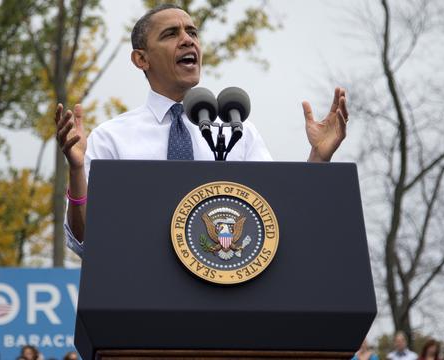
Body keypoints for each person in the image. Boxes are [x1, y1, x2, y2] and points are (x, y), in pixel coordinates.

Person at [56, 4, 350, 256]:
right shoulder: (112, 137)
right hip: (145, 298)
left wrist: (318, 159)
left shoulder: (238, 130)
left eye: (192, 32)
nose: (187, 40)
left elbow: (277, 220)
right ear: (141, 59)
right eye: (171, 34)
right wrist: (76, 170)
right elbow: (85, 240)